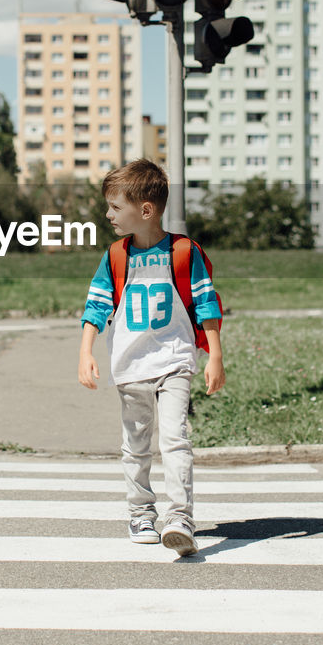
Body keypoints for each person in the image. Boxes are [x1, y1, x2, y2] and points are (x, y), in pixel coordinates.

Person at [77, 158, 225, 557]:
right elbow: (96, 305)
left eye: (114, 207)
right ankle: (141, 512)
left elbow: (207, 304)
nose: (108, 214)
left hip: (175, 359)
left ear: (145, 209)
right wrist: (86, 352)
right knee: (137, 444)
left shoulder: (184, 251)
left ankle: (180, 518)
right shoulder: (115, 256)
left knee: (175, 439)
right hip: (130, 365)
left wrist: (214, 356)